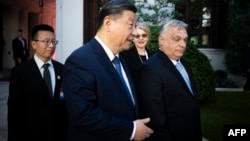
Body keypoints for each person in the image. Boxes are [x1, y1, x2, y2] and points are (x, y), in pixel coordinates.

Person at [63, 0, 153, 141]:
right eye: (131, 25)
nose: (135, 32)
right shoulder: (80, 61)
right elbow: (82, 114)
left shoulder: (122, 60)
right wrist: (131, 130)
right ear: (108, 23)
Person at [136, 19, 202, 141]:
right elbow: (155, 119)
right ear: (161, 40)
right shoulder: (149, 69)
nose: (183, 44)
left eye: (185, 40)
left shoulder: (185, 64)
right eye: (177, 39)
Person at [8, 24, 68, 141]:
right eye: (46, 41)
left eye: (54, 41)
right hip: (31, 134)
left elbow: (64, 102)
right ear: (34, 44)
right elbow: (14, 113)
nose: (51, 45)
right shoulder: (20, 72)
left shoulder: (62, 69)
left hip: (59, 134)